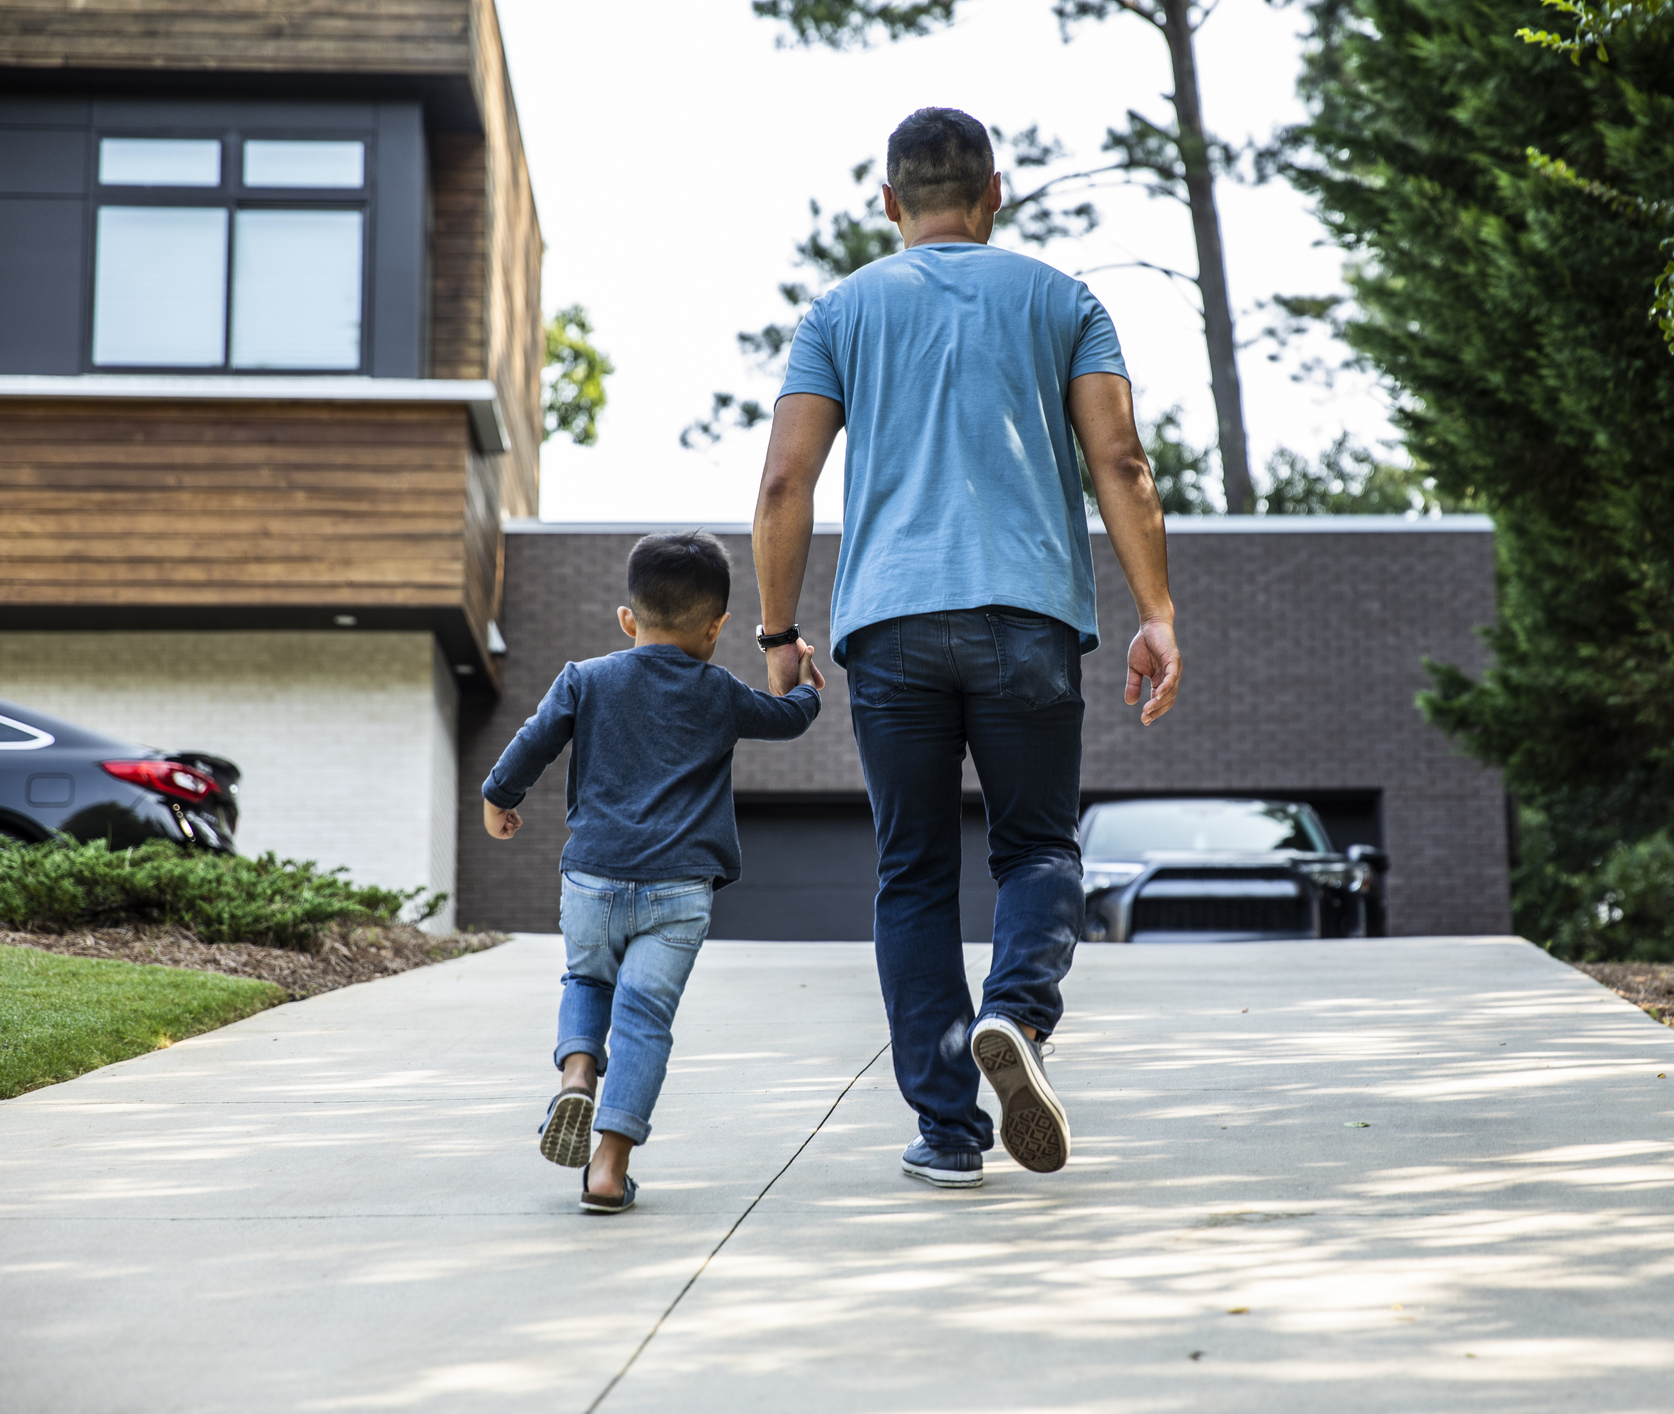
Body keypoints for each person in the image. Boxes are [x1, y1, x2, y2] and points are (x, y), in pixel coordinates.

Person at [751, 107, 1184, 1188]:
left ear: (890, 203)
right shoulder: (1064, 300)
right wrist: (1158, 611)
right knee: (1038, 847)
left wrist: (775, 633)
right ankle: (1019, 1017)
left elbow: (782, 483)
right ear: (996, 193)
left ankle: (948, 1133)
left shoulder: (839, 312)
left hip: (889, 629)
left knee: (913, 877)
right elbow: (1121, 462)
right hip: (1028, 617)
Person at [480, 531, 823, 1213]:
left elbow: (533, 741)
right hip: (678, 891)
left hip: (593, 878)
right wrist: (804, 687)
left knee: (585, 977)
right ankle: (608, 1169)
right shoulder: (720, 691)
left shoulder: (586, 678)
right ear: (717, 626)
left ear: (627, 619)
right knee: (643, 1019)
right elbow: (785, 720)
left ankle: (577, 1074)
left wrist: (498, 798)